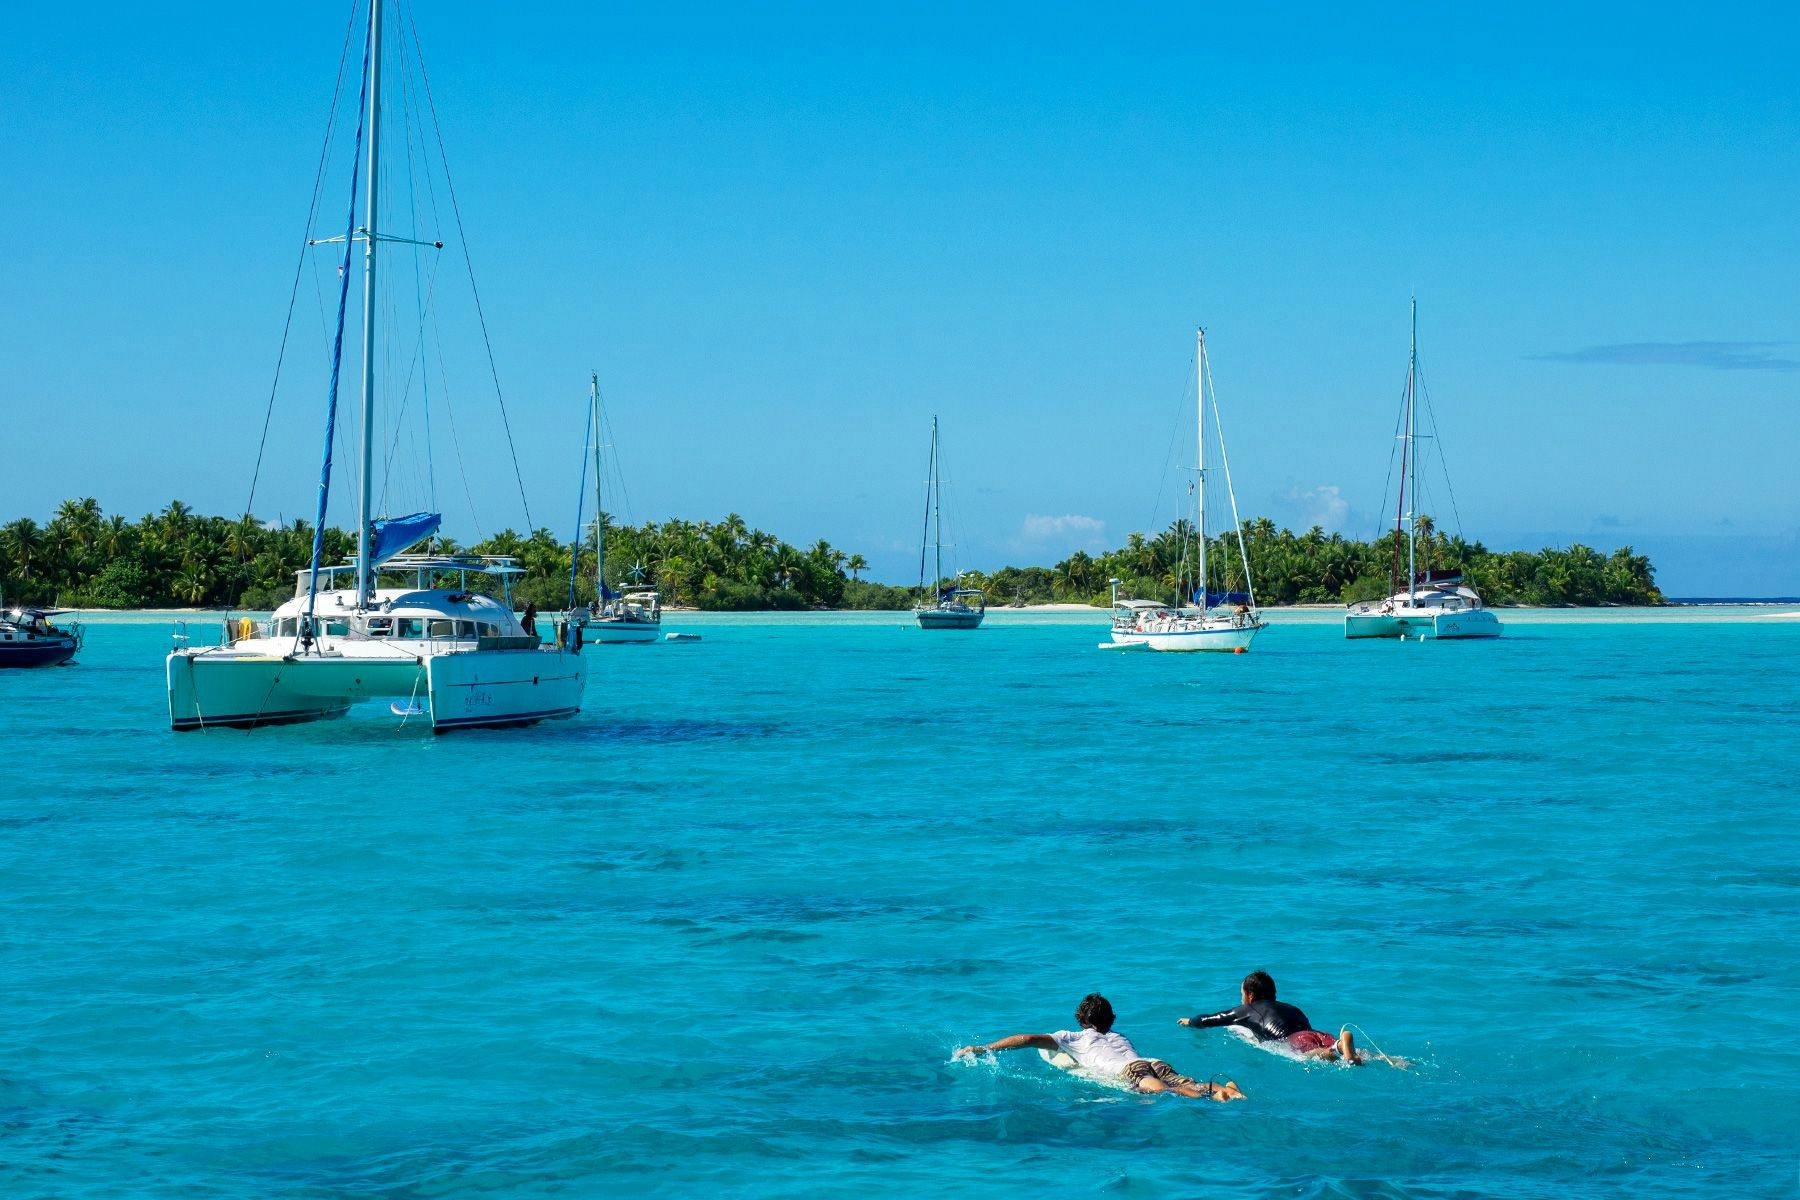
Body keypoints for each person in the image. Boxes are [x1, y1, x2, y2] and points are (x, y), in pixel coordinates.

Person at [957, 993, 1244, 1101]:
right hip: (1152, 1061)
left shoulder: (1075, 1038)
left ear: (1080, 1020)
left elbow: (1028, 1039)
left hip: (1131, 1070)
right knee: (1187, 1081)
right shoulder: (1119, 1036)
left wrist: (985, 1048)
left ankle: (1214, 1097)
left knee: (1166, 1092)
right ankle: (1225, 1088)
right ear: (1111, 1020)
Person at [1179, 971, 1407, 1068]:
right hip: (1315, 1032)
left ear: (1249, 995)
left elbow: (1210, 1020)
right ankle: (1396, 1061)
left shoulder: (1245, 1010)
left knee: (1310, 1056)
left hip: (1293, 1038)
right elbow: (1306, 1029)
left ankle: (1339, 1047)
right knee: (1341, 1049)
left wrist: (1190, 1021)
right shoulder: (1292, 1007)